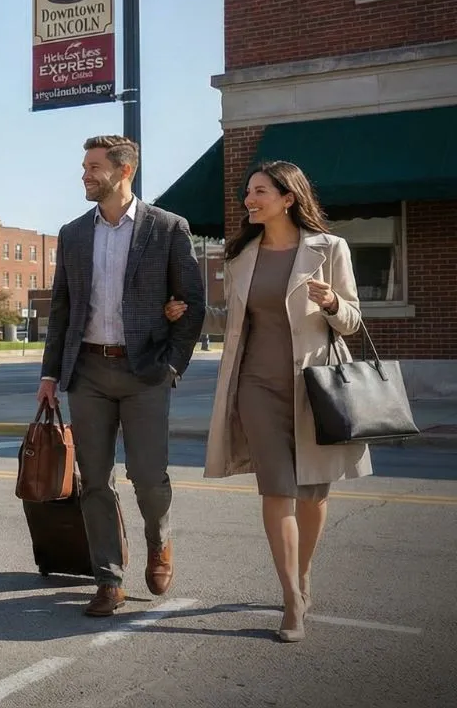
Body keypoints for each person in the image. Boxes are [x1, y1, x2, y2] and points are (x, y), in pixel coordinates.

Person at [171, 160, 368, 643]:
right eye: (248, 192)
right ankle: (291, 600)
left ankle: (302, 575)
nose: (249, 200)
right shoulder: (241, 256)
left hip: (315, 385)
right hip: (256, 386)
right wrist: (185, 314)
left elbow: (353, 322)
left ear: (288, 198)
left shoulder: (329, 250)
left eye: (259, 191)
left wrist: (331, 304)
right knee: (276, 488)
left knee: (315, 491)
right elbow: (231, 321)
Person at [37, 135, 205, 616]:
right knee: (94, 480)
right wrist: (50, 375)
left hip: (145, 371)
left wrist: (172, 364)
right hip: (87, 370)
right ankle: (108, 578)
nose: (85, 174)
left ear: (123, 171)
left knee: (148, 477)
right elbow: (62, 311)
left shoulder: (168, 228)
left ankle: (159, 540)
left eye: (93, 166)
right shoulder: (72, 233)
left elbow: (191, 304)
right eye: (84, 166)